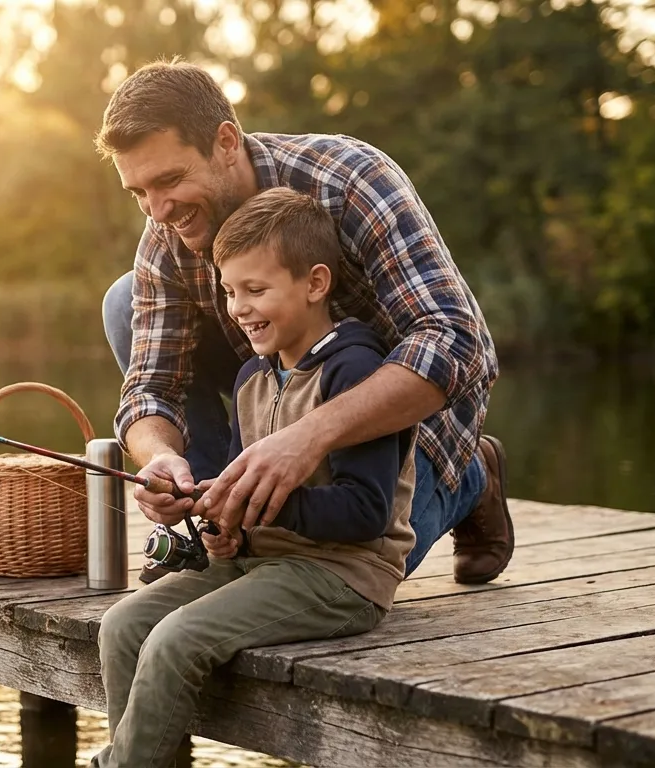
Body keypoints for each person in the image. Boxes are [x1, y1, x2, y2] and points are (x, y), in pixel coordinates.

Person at [98, 59, 512, 583]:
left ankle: (474, 475)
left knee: (359, 567)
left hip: (400, 423)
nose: (157, 211)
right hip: (276, 397)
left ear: (226, 142)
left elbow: (455, 343)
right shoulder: (167, 235)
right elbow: (150, 391)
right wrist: (157, 457)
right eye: (138, 192)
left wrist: (306, 438)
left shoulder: (351, 179)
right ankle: (214, 518)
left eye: (169, 180)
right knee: (123, 301)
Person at [93, 187, 416, 767]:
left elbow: (366, 514)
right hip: (260, 561)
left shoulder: (356, 373)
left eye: (256, 290)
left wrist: (259, 506)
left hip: (342, 575)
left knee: (175, 640)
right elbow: (244, 498)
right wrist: (221, 521)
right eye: (230, 292)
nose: (239, 308)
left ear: (315, 284)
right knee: (121, 625)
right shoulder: (251, 377)